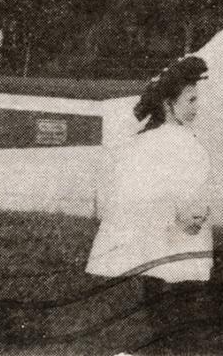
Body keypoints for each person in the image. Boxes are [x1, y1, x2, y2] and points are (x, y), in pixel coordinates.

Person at [86, 55, 213, 309]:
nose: (196, 107)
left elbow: (195, 182)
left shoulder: (172, 141)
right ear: (168, 104)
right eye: (190, 100)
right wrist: (184, 211)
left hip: (177, 222)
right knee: (168, 276)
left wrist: (197, 210)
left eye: (197, 99)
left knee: (170, 278)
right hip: (171, 223)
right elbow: (141, 186)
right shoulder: (161, 142)